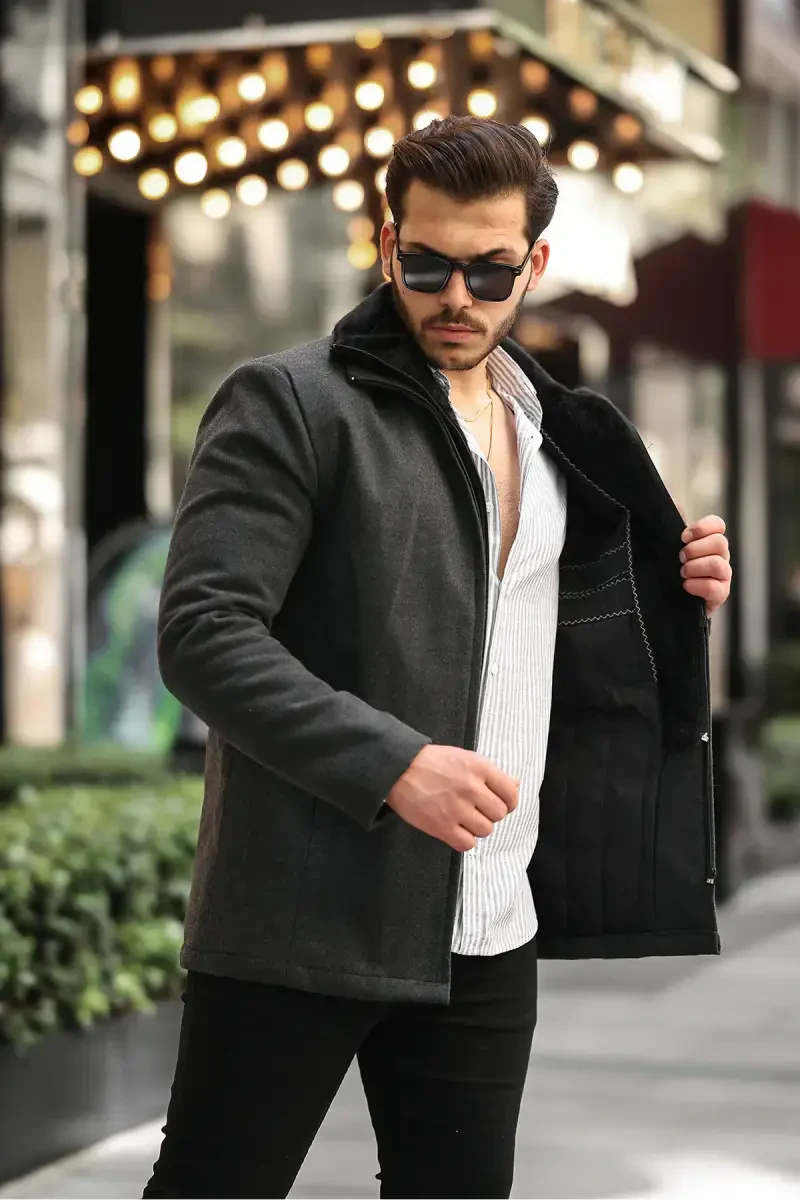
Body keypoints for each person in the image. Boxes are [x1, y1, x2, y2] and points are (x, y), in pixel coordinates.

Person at [144, 116, 732, 1200]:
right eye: (425, 265)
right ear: (386, 246)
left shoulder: (568, 433)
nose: (455, 297)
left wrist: (677, 587)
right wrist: (395, 765)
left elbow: (538, 633)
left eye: (488, 271)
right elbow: (203, 634)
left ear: (534, 266)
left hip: (489, 919)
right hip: (303, 918)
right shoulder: (292, 403)